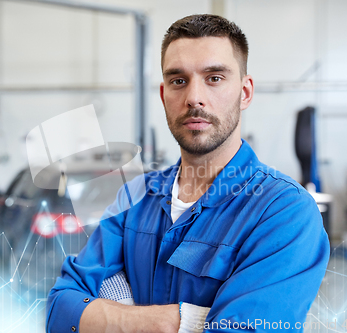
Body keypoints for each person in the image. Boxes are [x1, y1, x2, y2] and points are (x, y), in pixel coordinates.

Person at [46, 14, 330, 333]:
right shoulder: (134, 196)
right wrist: (172, 321)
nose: (194, 97)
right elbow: (60, 308)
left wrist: (108, 313)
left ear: (245, 92)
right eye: (179, 80)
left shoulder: (284, 212)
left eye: (214, 78)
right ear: (164, 94)